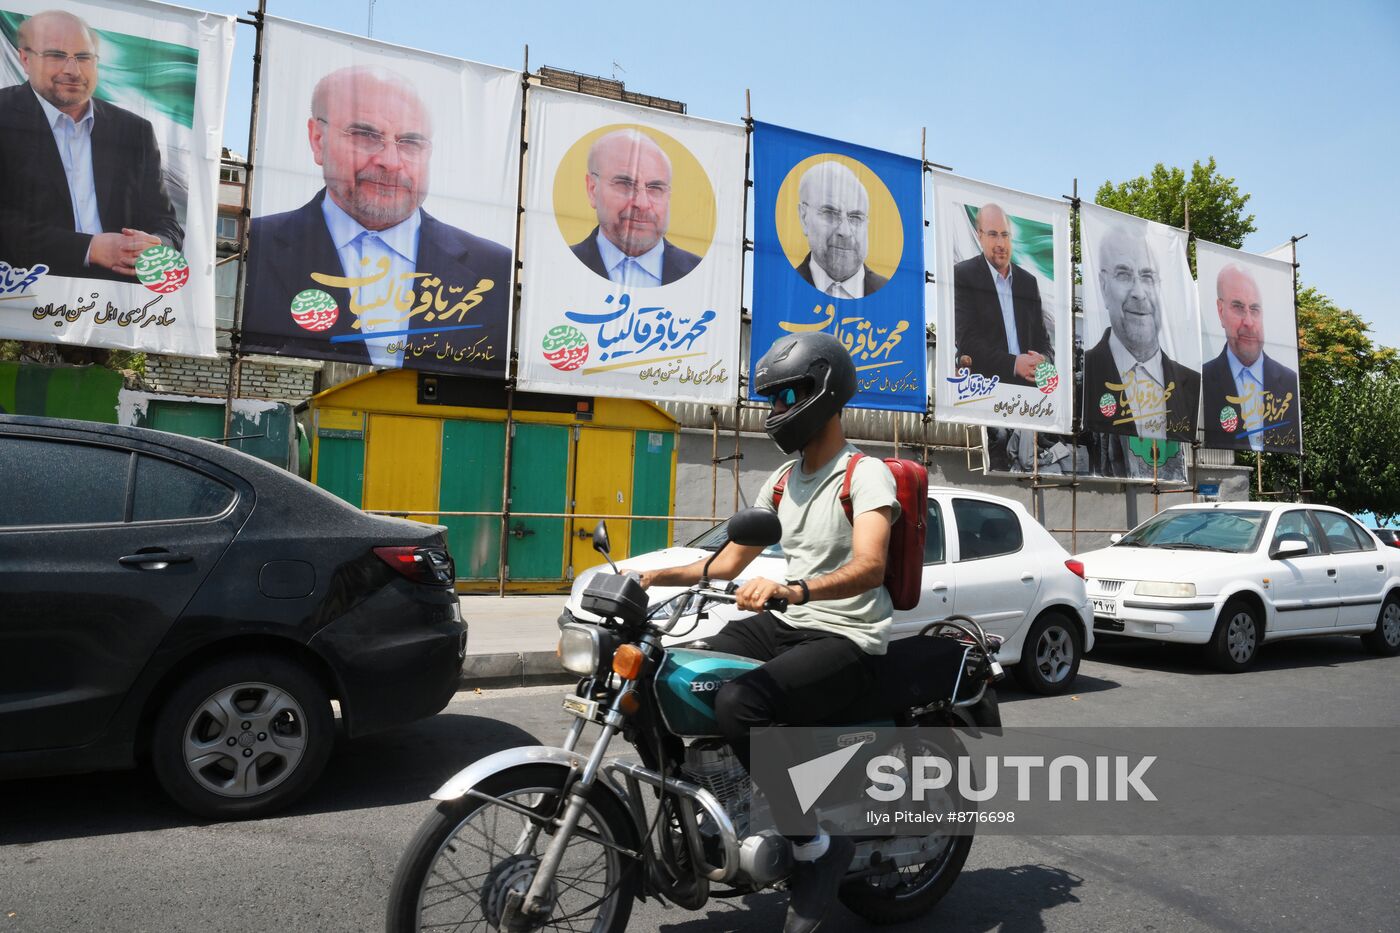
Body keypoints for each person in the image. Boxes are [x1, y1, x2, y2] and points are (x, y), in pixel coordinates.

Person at [639, 331, 898, 933]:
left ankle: (813, 846)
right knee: (667, 677)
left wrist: (794, 588)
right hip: (787, 623)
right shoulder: (781, 481)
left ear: (827, 391)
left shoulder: (865, 474)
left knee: (741, 701)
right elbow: (727, 562)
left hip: (846, 634)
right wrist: (649, 574)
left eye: (790, 393)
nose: (778, 407)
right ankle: (696, 818)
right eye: (773, 397)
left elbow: (871, 565)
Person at [244, 66, 513, 369]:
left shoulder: (495, 271)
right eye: (365, 135)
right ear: (318, 139)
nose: (390, 161)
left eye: (410, 142)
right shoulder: (252, 250)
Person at [0, 9, 182, 281]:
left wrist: (155, 243)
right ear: (25, 59)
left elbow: (168, 226)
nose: (72, 70)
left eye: (83, 57)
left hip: (120, 305)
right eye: (56, 55)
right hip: (23, 296)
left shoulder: (135, 131)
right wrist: (89, 249)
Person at [1082, 223, 1200, 444]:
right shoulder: (1083, 375)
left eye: (1147, 277)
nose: (1138, 293)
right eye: (1124, 275)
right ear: (1103, 286)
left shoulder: (1191, 384)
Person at [569, 128, 702, 287]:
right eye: (625, 184)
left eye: (655, 187)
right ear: (592, 189)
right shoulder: (558, 265)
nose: (642, 204)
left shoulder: (702, 277)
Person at [1201, 263, 1301, 451]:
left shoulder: (1289, 382)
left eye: (1254, 309)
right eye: (1238, 307)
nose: (1248, 322)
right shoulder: (1201, 380)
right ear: (1220, 311)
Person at [952, 203, 1051, 385]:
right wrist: (1014, 364)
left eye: (1005, 235)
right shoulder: (963, 275)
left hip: (1028, 395)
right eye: (993, 234)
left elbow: (1044, 342)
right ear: (979, 235)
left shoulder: (1028, 282)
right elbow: (967, 342)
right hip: (984, 390)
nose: (1001, 243)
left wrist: (1043, 360)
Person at [793, 161, 888, 299]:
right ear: (804, 217)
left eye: (856, 217)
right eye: (830, 213)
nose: (845, 232)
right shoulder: (781, 289)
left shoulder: (894, 297)